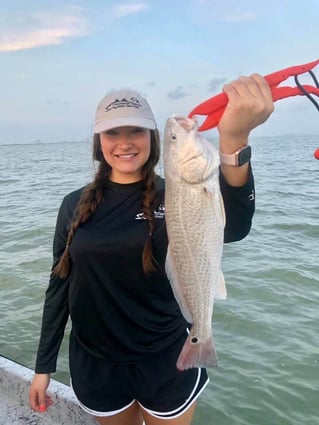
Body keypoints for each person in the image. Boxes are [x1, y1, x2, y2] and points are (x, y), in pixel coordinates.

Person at [29, 74, 274, 425]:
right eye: (113, 132)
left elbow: (234, 227)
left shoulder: (173, 195)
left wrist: (235, 142)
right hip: (97, 364)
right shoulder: (73, 205)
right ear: (99, 141)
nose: (125, 143)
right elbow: (59, 287)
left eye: (136, 131)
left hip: (168, 358)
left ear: (153, 139)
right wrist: (43, 367)